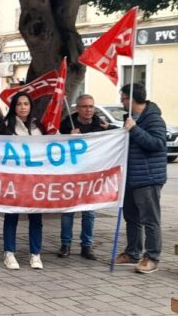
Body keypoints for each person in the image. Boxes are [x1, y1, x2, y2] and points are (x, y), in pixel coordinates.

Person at [0, 92, 46, 270]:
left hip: (35, 179)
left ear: (31, 106)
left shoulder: (39, 127)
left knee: (36, 217)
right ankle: (9, 253)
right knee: (11, 215)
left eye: (26, 104)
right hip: (14, 179)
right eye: (19, 104)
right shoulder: (6, 126)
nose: (23, 107)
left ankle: (35, 254)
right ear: (14, 107)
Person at [114, 83, 167, 274]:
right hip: (131, 176)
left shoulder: (153, 119)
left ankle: (152, 257)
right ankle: (132, 252)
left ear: (132, 99)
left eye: (123, 98)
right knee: (132, 217)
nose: (121, 101)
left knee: (150, 219)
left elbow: (158, 144)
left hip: (148, 177)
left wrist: (134, 129)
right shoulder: (130, 118)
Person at [57, 94, 111, 260]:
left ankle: (86, 246)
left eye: (91, 106)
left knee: (89, 213)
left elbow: (115, 139)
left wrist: (109, 129)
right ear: (77, 108)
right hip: (71, 176)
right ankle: (65, 244)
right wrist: (67, 137)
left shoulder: (100, 125)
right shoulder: (66, 125)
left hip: (92, 176)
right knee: (68, 211)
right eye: (85, 107)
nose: (88, 110)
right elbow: (55, 148)